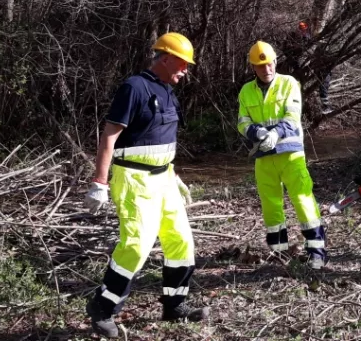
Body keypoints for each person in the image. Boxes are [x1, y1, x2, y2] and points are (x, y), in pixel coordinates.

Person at [83, 33, 209, 337]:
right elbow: (109, 136)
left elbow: (160, 138)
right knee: (137, 245)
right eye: (182, 63)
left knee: (180, 240)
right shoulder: (134, 88)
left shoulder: (168, 92)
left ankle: (174, 305)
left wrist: (173, 174)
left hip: (163, 177)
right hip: (134, 179)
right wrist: (99, 181)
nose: (185, 70)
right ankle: (103, 308)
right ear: (165, 58)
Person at [237, 40, 328, 270]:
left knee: (303, 200)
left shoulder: (288, 83)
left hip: (290, 154)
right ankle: (279, 253)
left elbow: (292, 116)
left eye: (269, 64)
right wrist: (256, 132)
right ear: (253, 68)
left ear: (275, 62)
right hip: (264, 156)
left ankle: (316, 251)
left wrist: (275, 134)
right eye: (260, 66)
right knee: (270, 204)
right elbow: (242, 121)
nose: (266, 70)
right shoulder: (247, 91)